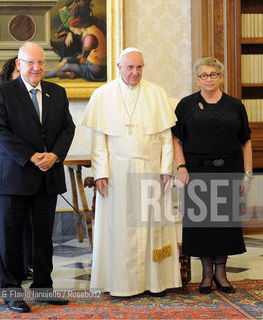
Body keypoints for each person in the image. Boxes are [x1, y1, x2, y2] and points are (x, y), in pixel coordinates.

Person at [82, 47, 181, 297]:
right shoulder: (102, 95)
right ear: (118, 67)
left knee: (152, 226)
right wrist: (101, 172)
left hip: (150, 172)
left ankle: (155, 282)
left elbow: (165, 138)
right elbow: (98, 141)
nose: (135, 72)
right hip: (117, 175)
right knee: (120, 229)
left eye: (139, 67)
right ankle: (120, 284)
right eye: (130, 67)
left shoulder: (156, 93)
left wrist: (165, 170)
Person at [0, 42, 75, 313]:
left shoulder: (56, 92)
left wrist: (55, 155)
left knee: (42, 238)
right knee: (10, 238)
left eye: (40, 63)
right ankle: (12, 293)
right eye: (30, 63)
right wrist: (32, 156)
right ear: (19, 64)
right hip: (14, 177)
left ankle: (43, 288)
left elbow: (67, 128)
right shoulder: (3, 92)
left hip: (47, 176)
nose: (36, 68)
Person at [172, 57, 253, 294]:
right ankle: (207, 275)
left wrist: (248, 175)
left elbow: (246, 141)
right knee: (202, 224)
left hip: (229, 170)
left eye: (214, 74)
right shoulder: (186, 105)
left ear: (221, 77)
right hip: (196, 171)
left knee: (225, 224)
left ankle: (221, 274)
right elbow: (176, 139)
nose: (209, 79)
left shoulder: (235, 106)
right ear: (197, 79)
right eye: (204, 75)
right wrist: (181, 167)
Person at [0, 57, 33, 281]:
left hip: (33, 170)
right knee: (11, 227)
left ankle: (28, 265)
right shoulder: (2, 97)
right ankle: (13, 273)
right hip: (8, 170)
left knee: (31, 225)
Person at [45, 17, 106, 81]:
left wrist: (66, 61)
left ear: (78, 26)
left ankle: (45, 76)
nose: (74, 33)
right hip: (91, 63)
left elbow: (82, 59)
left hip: (96, 68)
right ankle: (72, 74)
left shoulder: (89, 37)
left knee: (66, 65)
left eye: (74, 30)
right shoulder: (90, 29)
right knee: (64, 59)